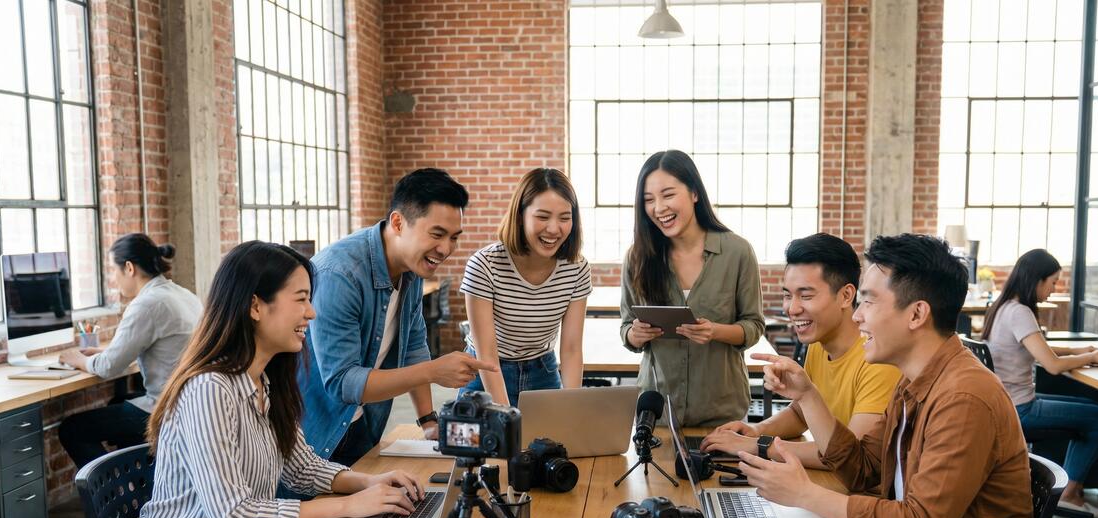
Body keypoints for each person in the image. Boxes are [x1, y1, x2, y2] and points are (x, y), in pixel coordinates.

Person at [736, 234, 1032, 518]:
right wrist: (807, 395)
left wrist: (805, 495)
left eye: (868, 302)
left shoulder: (964, 398)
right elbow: (864, 469)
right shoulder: (915, 379)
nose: (856, 317)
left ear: (916, 314)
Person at [134, 241, 424, 518]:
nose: (312, 312)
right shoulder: (209, 389)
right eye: (301, 299)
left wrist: (370, 482)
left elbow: (302, 467)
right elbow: (232, 516)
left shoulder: (264, 380)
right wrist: (348, 505)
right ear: (255, 306)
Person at [298, 168, 497, 466]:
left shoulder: (411, 267)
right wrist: (433, 371)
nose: (446, 249)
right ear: (398, 222)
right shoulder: (339, 274)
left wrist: (428, 422)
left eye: (454, 237)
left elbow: (414, 345)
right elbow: (343, 383)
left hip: (361, 426)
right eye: (437, 234)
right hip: (313, 436)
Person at [700, 233, 901, 466]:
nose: (792, 309)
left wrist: (759, 446)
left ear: (846, 296)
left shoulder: (877, 359)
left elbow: (851, 456)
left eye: (805, 296)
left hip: (860, 497)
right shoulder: (817, 344)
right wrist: (755, 430)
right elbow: (801, 413)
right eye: (788, 295)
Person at [619, 150, 765, 427]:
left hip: (722, 412)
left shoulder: (737, 252)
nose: (658, 207)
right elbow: (627, 327)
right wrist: (634, 334)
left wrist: (715, 331)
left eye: (668, 194)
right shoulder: (637, 257)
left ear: (695, 193)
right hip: (658, 413)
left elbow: (754, 326)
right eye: (648, 200)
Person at [980, 249, 1098, 517]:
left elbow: (1039, 348)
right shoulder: (1020, 312)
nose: (1054, 289)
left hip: (1009, 404)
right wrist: (1092, 356)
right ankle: (1069, 494)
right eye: (1052, 282)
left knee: (1089, 409)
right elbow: (1051, 365)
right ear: (1036, 280)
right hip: (1021, 410)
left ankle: (1071, 492)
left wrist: (1079, 352)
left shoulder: (1002, 306)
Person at [57, 234, 202, 469]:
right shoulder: (182, 294)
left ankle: (114, 495)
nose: (114, 280)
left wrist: (78, 360)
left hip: (166, 409)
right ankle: (142, 484)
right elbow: (153, 346)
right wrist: (103, 352)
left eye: (114, 271)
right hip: (191, 404)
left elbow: (107, 367)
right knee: (118, 400)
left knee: (73, 429)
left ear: (129, 268)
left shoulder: (147, 303)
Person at [459, 168, 591, 407]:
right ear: (520, 216)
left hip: (542, 370)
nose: (554, 229)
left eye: (564, 218)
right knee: (497, 440)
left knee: (560, 440)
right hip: (486, 371)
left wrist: (572, 407)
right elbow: (487, 354)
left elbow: (571, 350)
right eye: (542, 217)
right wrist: (506, 416)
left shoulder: (576, 268)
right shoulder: (484, 264)